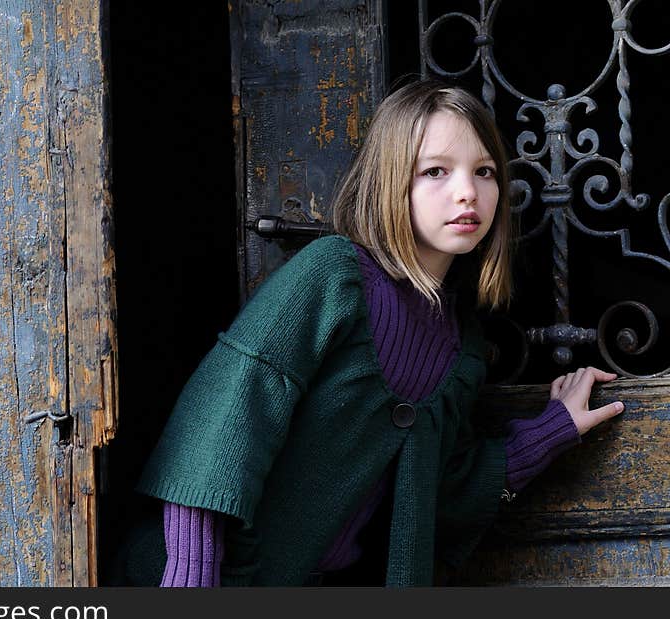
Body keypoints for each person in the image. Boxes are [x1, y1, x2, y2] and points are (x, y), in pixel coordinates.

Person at [112, 79, 624, 587]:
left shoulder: (462, 348)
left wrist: (552, 429)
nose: (468, 191)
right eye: (435, 171)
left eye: (484, 171)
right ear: (389, 179)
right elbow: (222, 425)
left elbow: (441, 495)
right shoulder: (333, 276)